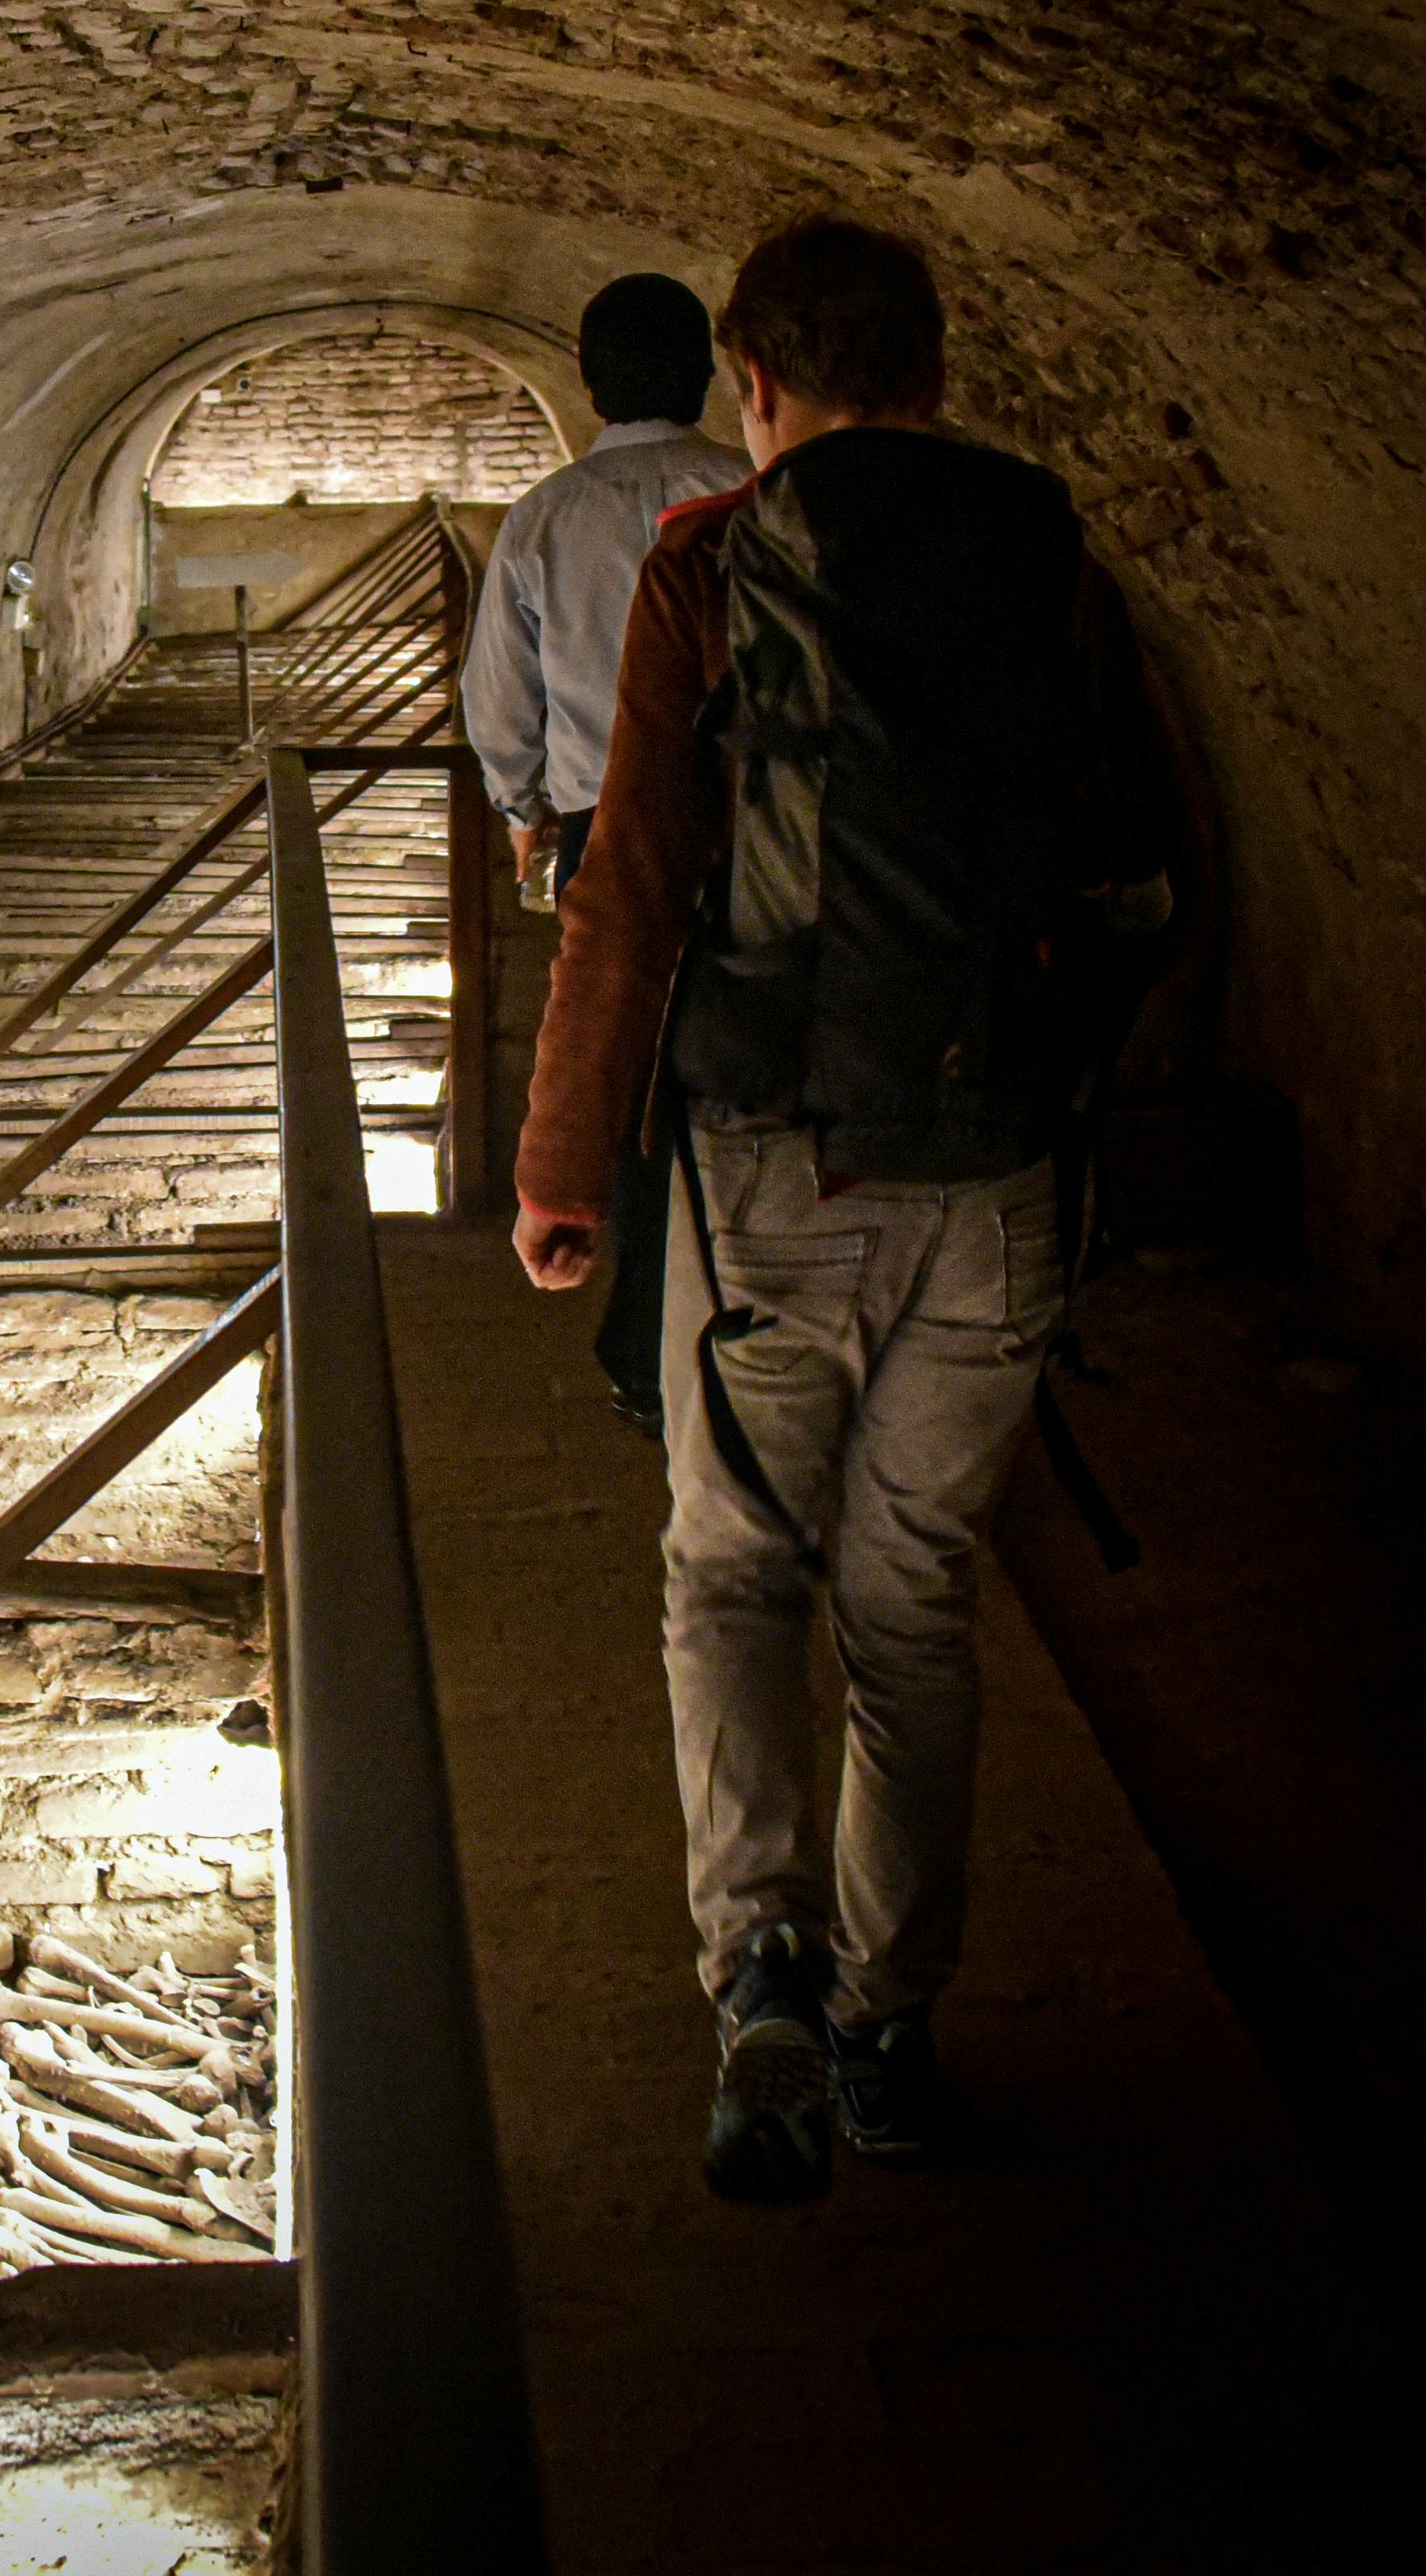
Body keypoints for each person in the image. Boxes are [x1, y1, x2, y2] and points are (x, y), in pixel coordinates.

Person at [509, 217, 1174, 2204]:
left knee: (730, 1571)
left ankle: (762, 1972)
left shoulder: (709, 564)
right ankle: (894, 2027)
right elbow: (1151, 864)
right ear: (938, 373)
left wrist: (561, 1174)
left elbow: (628, 885)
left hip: (768, 1160)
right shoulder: (1052, 562)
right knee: (916, 1605)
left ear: (756, 383)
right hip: (997, 1192)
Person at [462, 273, 749, 1426]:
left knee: (618, 1069)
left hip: (599, 820)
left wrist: (523, 806)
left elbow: (500, 697)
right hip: (749, 818)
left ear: (586, 380)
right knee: (736, 1063)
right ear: (713, 375)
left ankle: (647, 1339)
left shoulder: (545, 516)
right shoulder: (751, 489)